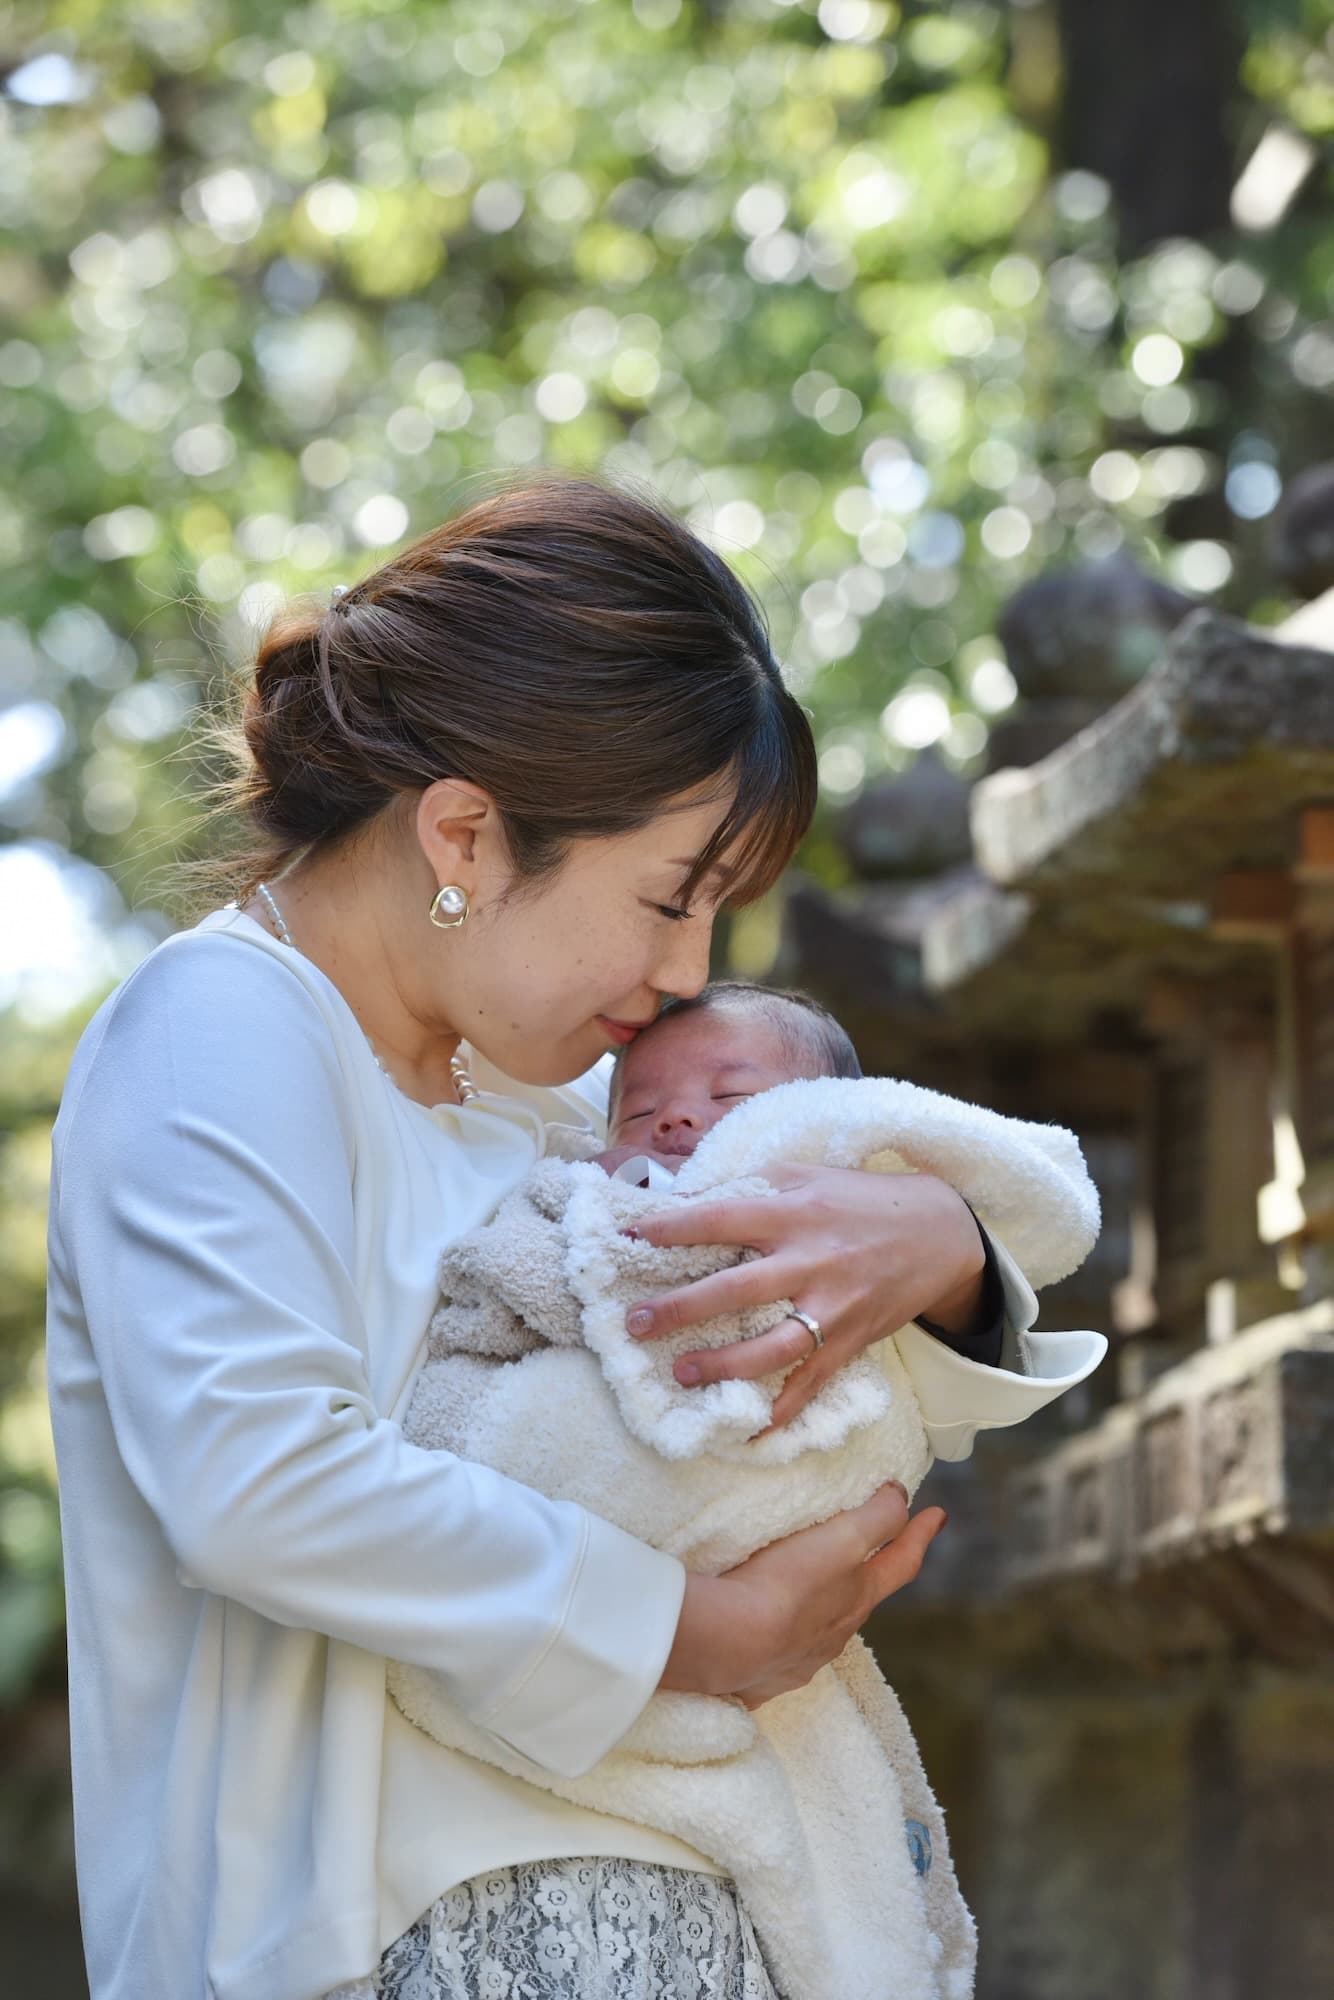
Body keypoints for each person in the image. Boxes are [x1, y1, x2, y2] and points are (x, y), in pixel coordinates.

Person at [46, 474, 1033, 2000]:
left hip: (702, 1876)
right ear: (463, 836)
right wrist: (685, 1631)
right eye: (668, 900)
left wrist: (945, 1249)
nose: (687, 973)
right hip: (346, 1925)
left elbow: (830, 1399)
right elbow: (252, 1478)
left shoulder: (566, 1098)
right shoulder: (220, 1027)